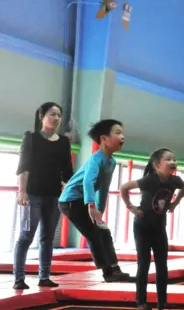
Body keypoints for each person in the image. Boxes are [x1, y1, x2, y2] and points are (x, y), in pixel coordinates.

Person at [13, 102, 74, 290]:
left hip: (53, 196)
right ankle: (19, 278)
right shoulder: (31, 138)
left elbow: (67, 170)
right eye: (52, 114)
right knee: (26, 236)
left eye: (59, 115)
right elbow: (24, 166)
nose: (56, 118)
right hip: (32, 195)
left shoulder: (64, 142)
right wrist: (22, 191)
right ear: (41, 116)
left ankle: (44, 276)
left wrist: (69, 190)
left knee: (47, 238)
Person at [58, 119, 127, 282]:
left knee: (104, 231)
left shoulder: (112, 162)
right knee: (94, 234)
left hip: (83, 201)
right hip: (70, 201)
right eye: (117, 133)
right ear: (104, 139)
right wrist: (91, 205)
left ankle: (115, 268)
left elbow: (104, 187)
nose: (123, 137)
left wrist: (99, 210)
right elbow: (88, 181)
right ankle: (107, 272)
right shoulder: (96, 159)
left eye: (122, 133)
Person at [119, 148, 184, 310]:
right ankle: (141, 302)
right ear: (157, 165)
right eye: (168, 159)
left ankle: (162, 302)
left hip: (159, 228)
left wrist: (174, 204)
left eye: (174, 159)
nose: (173, 162)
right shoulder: (149, 180)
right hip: (142, 227)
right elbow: (124, 187)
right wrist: (132, 208)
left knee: (162, 265)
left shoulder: (174, 181)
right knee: (143, 264)